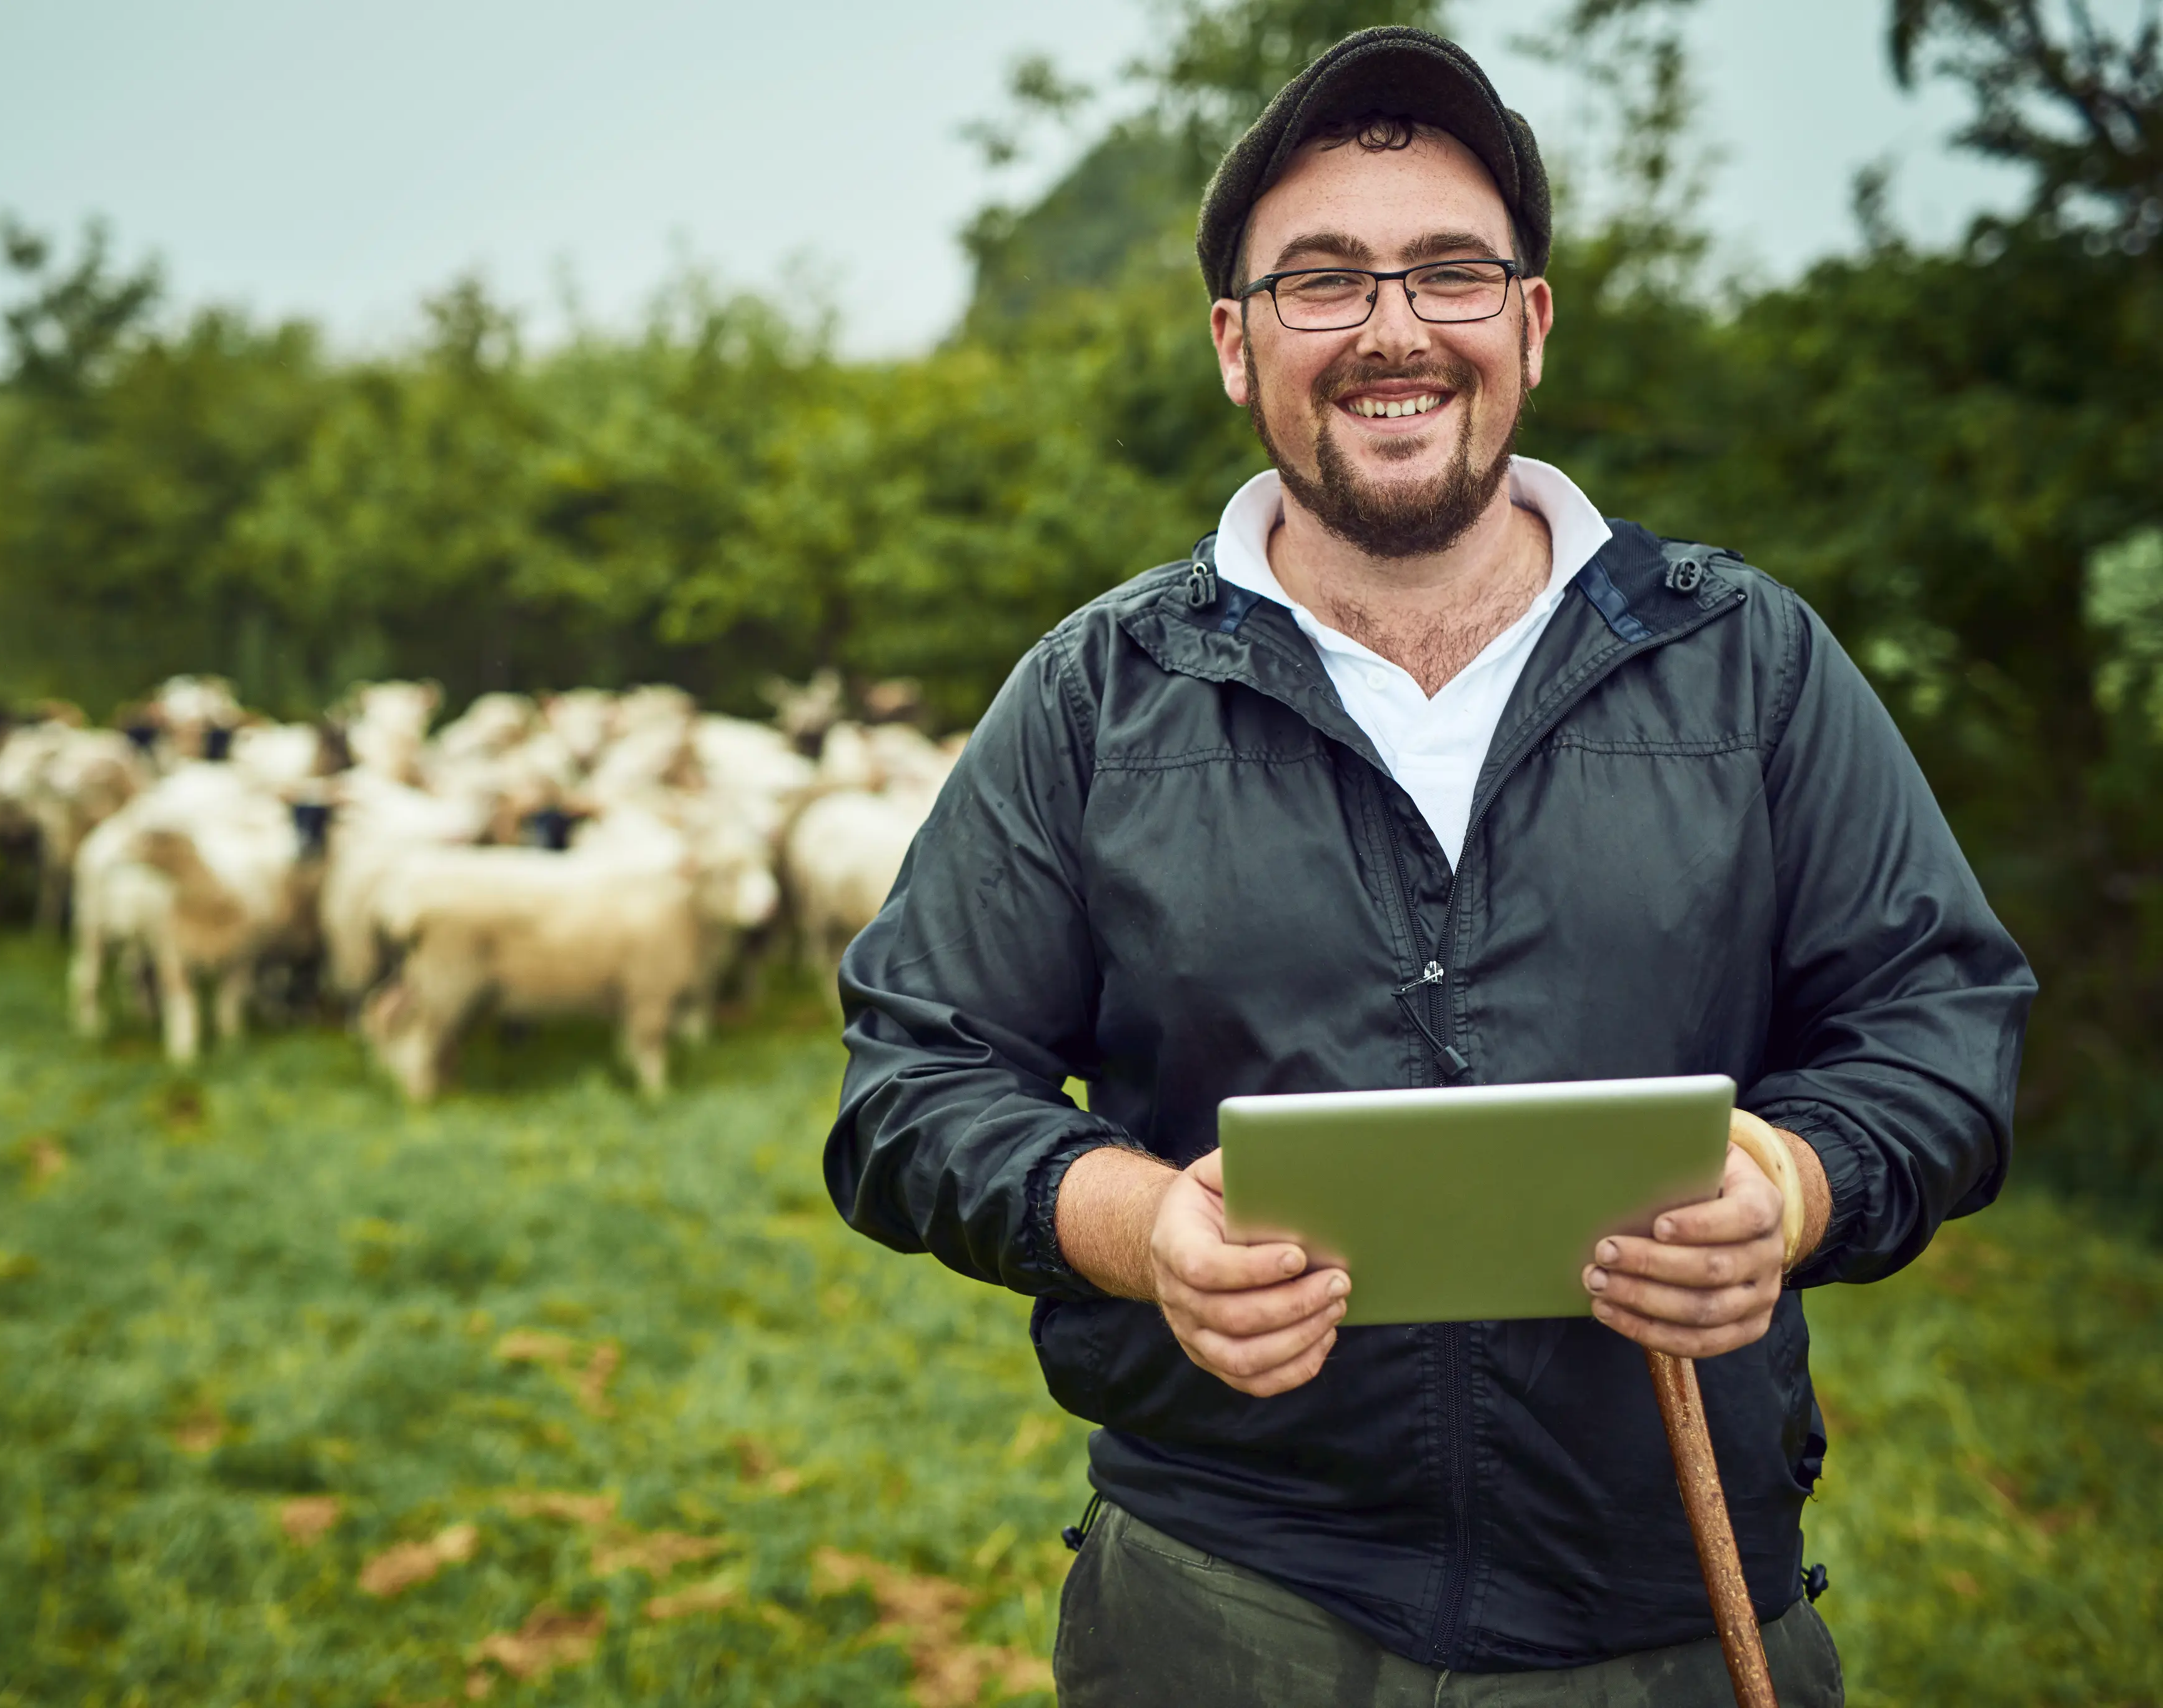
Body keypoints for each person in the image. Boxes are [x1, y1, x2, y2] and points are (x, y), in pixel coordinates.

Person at [823, 24, 2034, 1707]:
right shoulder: (1096, 696)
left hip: (1670, 1601)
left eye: (1450, 269)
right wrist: (1142, 1223)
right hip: (1227, 1594)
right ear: (1237, 347)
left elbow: (1944, 1017)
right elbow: (913, 1075)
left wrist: (1793, 1191)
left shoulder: (1749, 664)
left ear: (1529, 325)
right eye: (1320, 281)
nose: (1393, 326)